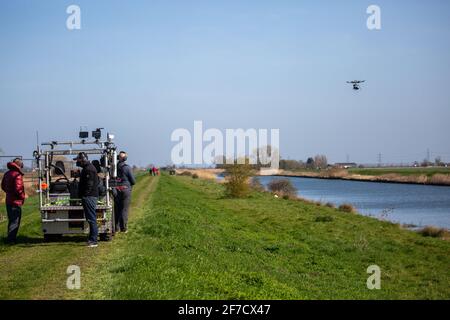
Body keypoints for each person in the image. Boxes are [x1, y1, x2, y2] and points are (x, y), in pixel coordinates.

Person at [73, 152, 99, 247]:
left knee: (92, 219)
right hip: (89, 197)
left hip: (89, 197)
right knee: (90, 218)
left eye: (78, 160)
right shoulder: (87, 168)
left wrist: (85, 196)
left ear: (82, 159)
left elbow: (89, 185)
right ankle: (92, 238)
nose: (77, 162)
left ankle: (93, 240)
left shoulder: (89, 169)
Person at [1, 158, 26, 244]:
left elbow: (3, 186)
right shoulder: (17, 175)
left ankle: (10, 238)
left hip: (8, 200)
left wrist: (9, 192)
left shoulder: (7, 173)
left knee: (11, 220)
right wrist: (22, 197)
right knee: (15, 221)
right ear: (19, 165)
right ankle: (11, 240)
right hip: (15, 201)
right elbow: (18, 189)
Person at [114, 151, 135, 233]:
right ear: (125, 158)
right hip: (125, 190)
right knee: (124, 209)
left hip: (116, 189)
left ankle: (116, 227)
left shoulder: (114, 167)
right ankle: (123, 228)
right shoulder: (127, 168)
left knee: (117, 209)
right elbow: (133, 181)